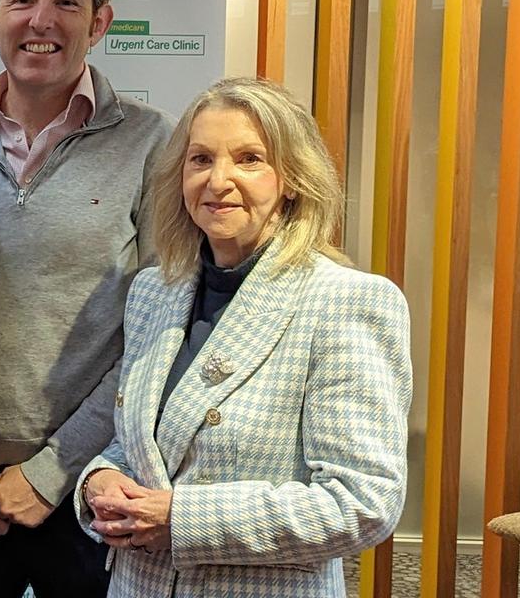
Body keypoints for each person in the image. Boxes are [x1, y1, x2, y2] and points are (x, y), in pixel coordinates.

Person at [75, 77, 412, 597]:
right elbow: (140, 445)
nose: (218, 180)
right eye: (201, 159)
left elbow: (361, 503)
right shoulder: (153, 292)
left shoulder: (346, 302)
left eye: (250, 159)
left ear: (293, 178)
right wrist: (97, 481)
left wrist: (182, 520)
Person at [0, 0, 172, 598]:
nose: (43, 19)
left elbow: (156, 333)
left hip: (94, 482)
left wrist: (53, 472)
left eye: (67, 1)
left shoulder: (154, 143)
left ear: (99, 23)